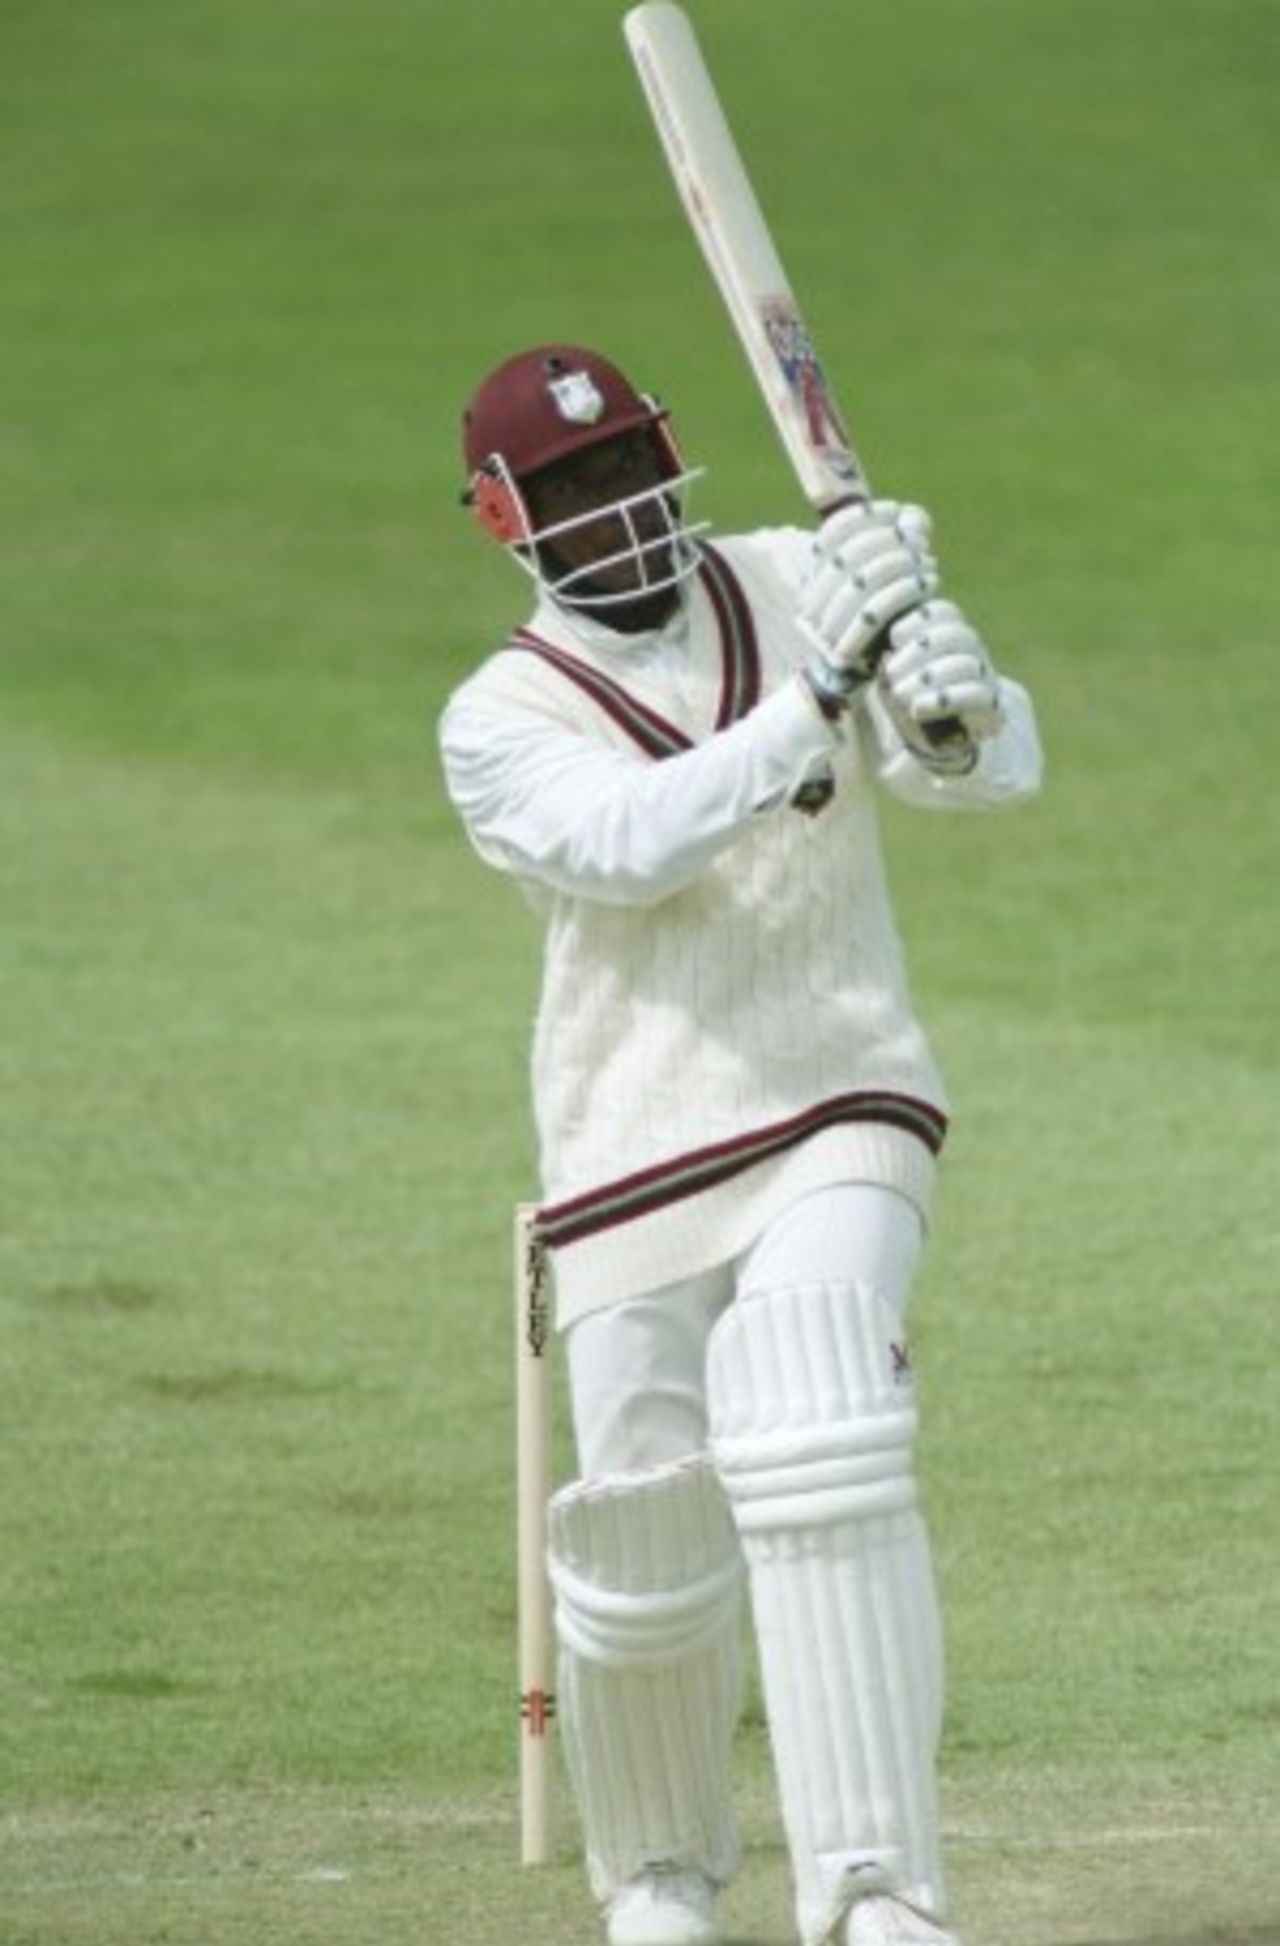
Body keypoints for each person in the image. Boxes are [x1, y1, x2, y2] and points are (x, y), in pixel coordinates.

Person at [438, 344, 1043, 1946]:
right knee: (645, 1533)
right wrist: (824, 693)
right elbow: (633, 845)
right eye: (570, 488)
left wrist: (954, 696)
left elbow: (975, 772)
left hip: (842, 1080)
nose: (615, 506)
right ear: (509, 516)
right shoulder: (498, 718)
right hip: (630, 1142)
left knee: (823, 1395)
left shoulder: (795, 575)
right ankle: (659, 1875)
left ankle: (874, 1890)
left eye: (628, 464)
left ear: (671, 455)